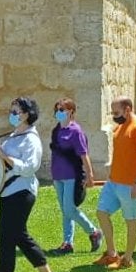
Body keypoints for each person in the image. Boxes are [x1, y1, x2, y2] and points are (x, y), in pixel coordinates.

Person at [0, 98, 57, 272]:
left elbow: (30, 167)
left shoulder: (31, 140)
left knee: (6, 238)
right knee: (19, 236)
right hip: (8, 192)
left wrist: (3, 155)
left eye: (16, 112)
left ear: (26, 115)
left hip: (21, 192)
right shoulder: (14, 136)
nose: (12, 115)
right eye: (11, 111)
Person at [93, 95, 136, 270]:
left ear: (127, 109)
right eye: (112, 112)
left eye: (116, 112)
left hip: (129, 184)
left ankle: (127, 258)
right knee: (101, 213)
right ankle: (112, 254)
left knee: (130, 221)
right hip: (114, 181)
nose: (114, 116)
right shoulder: (120, 127)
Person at [47, 98, 100, 254]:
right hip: (58, 175)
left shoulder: (76, 131)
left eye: (61, 110)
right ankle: (67, 243)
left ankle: (93, 232)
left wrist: (90, 176)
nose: (58, 113)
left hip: (72, 175)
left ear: (71, 111)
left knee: (69, 209)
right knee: (65, 211)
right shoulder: (56, 130)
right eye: (57, 110)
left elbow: (84, 155)